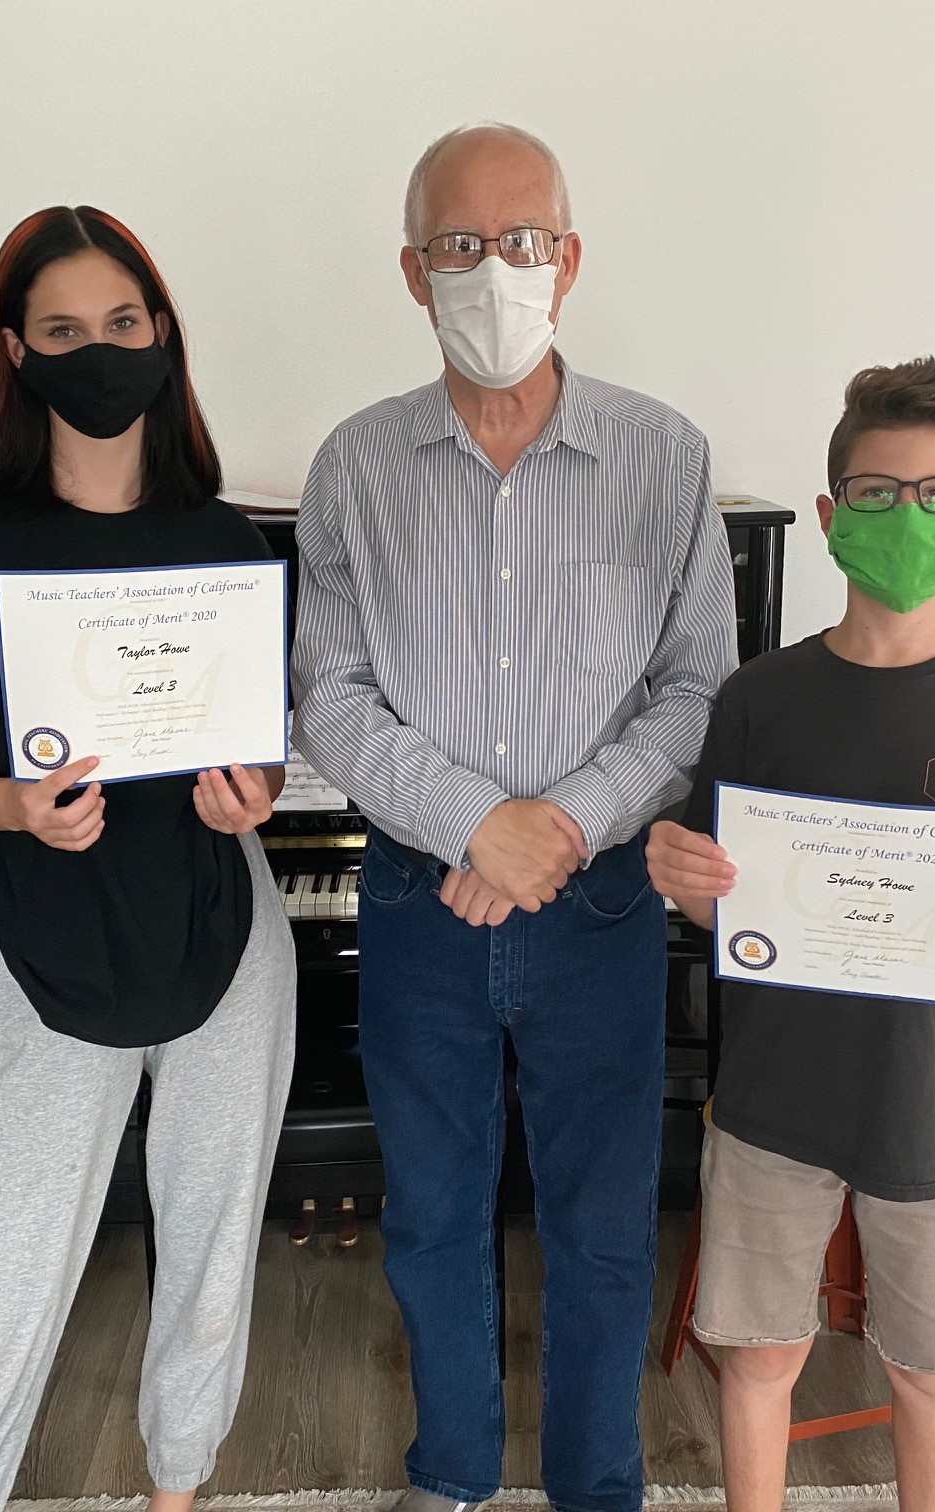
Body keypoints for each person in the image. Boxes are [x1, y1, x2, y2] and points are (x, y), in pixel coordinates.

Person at [291, 124, 737, 1512]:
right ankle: (454, 1474)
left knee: (604, 1228)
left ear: (572, 257)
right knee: (429, 1220)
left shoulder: (665, 456)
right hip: (424, 900)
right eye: (461, 245)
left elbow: (696, 687)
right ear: (414, 272)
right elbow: (331, 692)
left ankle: (600, 1482)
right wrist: (481, 824)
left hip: (599, 904)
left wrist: (563, 826)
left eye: (524, 240)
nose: (497, 270)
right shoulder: (356, 466)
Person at [0, 205, 296, 1512]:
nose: (101, 349)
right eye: (65, 330)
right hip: (51, 940)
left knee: (215, 1248)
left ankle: (180, 1489)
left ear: (162, 337)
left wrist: (251, 800)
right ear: (16, 349)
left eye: (124, 324)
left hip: (226, 934)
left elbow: (259, 759)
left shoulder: (224, 538)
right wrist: (16, 810)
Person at [646, 357, 935, 1512]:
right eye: (876, 491)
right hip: (771, 1101)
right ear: (828, 514)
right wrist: (681, 878)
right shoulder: (758, 700)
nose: (908, 516)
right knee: (758, 1363)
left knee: (929, 1371)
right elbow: (721, 896)